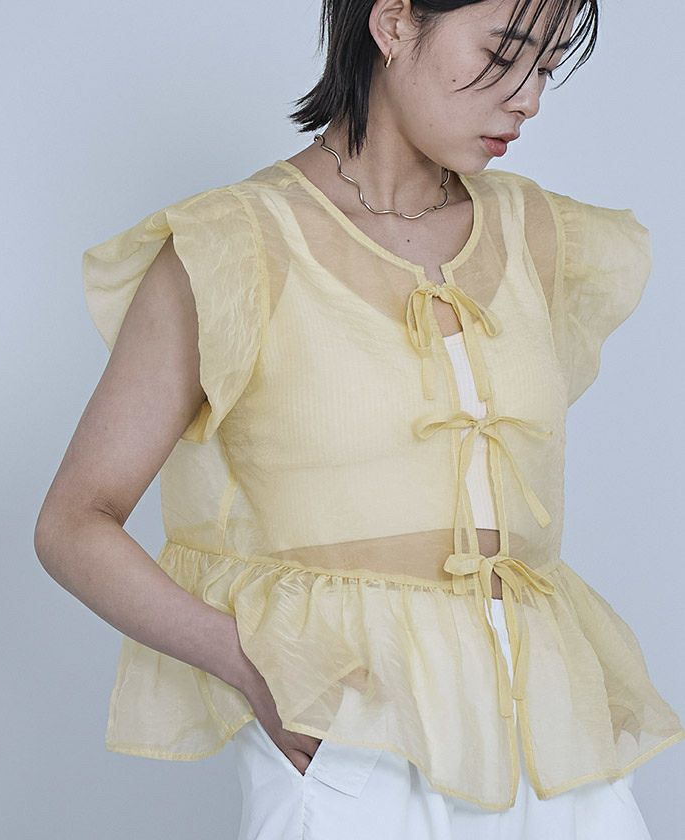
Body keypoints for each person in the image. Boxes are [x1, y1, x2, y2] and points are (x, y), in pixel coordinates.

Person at [34, 0, 684, 838]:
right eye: (507, 52)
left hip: (556, 743)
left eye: (548, 67)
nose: (528, 98)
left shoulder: (540, 233)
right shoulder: (235, 244)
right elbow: (73, 524)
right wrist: (253, 665)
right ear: (395, 23)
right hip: (354, 729)